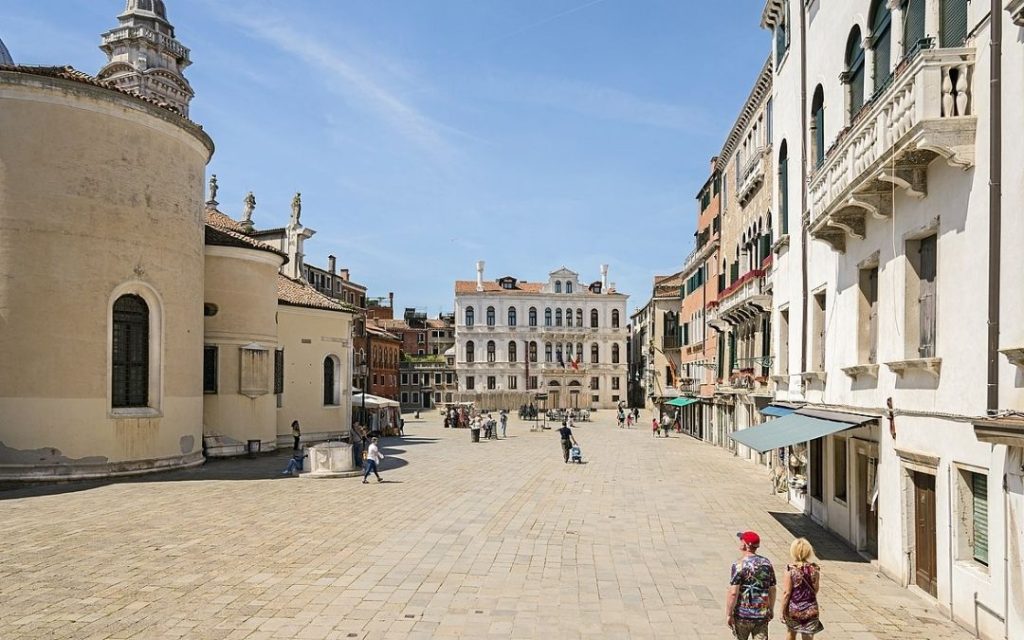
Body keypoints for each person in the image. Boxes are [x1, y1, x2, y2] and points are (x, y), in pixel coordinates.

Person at [726, 530, 776, 640]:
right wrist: (771, 609)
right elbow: (772, 589)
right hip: (761, 615)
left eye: (741, 540)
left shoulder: (738, 565)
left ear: (745, 545)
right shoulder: (766, 564)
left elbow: (733, 593)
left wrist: (729, 614)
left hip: (742, 615)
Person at [780, 538, 824, 639]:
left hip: (794, 609)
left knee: (791, 634)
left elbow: (786, 593)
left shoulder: (790, 569)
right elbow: (815, 589)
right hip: (811, 609)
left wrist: (782, 611)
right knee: (808, 636)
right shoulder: (815, 569)